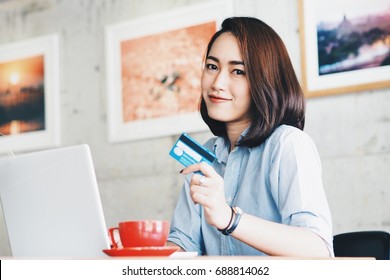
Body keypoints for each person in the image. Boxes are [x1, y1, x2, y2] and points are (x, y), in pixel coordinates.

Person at [167, 17, 334, 257]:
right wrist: (134, 252)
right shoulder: (205, 154)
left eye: (238, 71)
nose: (217, 83)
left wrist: (229, 219)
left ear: (266, 80)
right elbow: (183, 245)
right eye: (212, 66)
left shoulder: (288, 144)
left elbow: (318, 249)